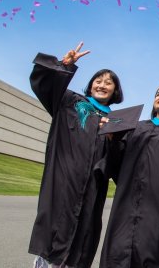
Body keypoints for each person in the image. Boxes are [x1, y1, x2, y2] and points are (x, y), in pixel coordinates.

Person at [29, 42, 124, 268]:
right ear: (90, 86)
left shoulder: (118, 121)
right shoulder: (69, 102)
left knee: (84, 233)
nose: (102, 85)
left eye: (108, 83)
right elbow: (44, 87)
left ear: (115, 91)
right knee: (55, 230)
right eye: (98, 80)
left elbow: (119, 164)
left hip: (93, 188)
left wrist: (113, 140)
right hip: (63, 181)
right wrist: (64, 65)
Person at [99, 84, 159, 268]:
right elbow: (117, 163)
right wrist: (113, 139)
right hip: (126, 202)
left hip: (157, 203)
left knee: (154, 250)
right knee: (119, 250)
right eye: (158, 94)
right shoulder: (135, 128)